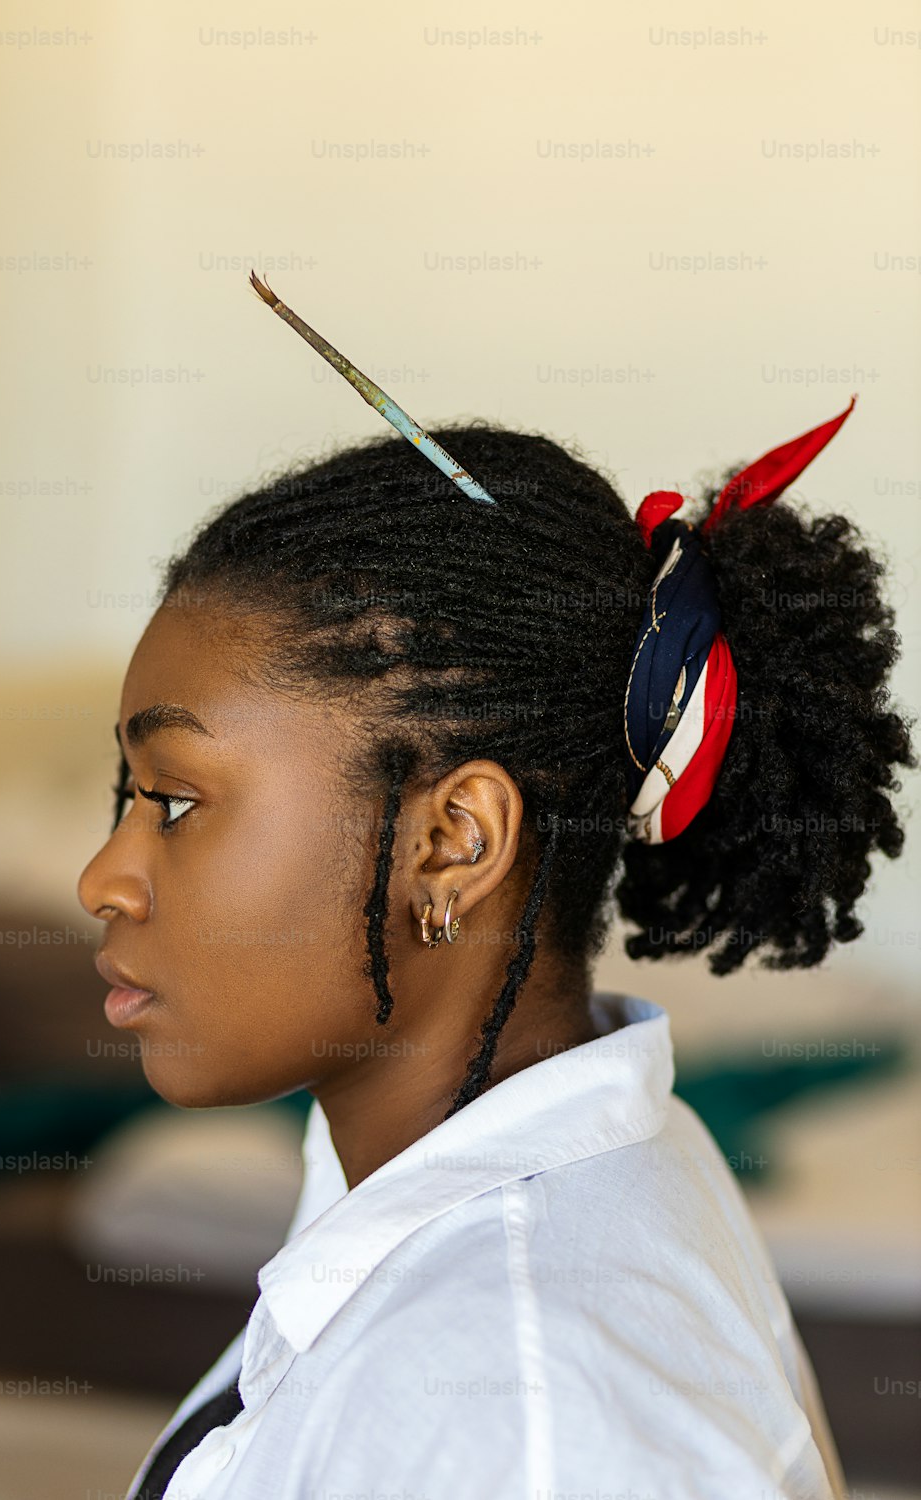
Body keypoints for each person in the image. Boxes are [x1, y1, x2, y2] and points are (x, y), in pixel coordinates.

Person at [77, 284, 912, 1499]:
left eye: (178, 801)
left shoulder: (523, 1426)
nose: (103, 876)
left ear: (453, 840)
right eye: (125, 796)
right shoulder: (532, 1183)